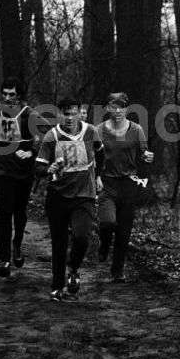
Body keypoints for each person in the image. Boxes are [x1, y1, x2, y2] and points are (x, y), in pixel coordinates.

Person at [35, 95, 105, 302]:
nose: (69, 117)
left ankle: (73, 269)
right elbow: (37, 168)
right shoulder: (52, 136)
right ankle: (57, 287)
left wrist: (99, 175)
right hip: (57, 195)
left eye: (73, 113)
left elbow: (101, 154)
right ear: (60, 114)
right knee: (59, 242)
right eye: (65, 113)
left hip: (84, 194)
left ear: (80, 112)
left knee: (81, 237)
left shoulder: (91, 132)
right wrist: (48, 169)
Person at [0, 78, 39, 277]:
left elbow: (39, 139)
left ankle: (17, 244)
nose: (7, 98)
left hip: (23, 169)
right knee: (4, 210)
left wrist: (31, 152)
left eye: (12, 94)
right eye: (4, 93)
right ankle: (4, 259)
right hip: (3, 168)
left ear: (19, 96)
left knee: (20, 211)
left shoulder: (29, 114)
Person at [97, 92, 153, 283]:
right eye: (113, 106)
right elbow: (91, 155)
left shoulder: (136, 129)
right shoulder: (99, 130)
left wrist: (146, 156)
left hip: (128, 184)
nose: (117, 110)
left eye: (121, 106)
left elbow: (144, 151)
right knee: (107, 223)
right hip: (107, 183)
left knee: (123, 231)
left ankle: (117, 270)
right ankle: (104, 243)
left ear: (127, 109)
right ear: (108, 109)